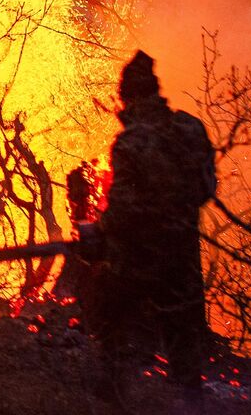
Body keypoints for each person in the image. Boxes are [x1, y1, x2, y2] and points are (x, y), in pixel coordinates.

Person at [88, 51, 216, 403]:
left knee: (110, 310)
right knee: (184, 339)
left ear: (129, 97)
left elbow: (125, 209)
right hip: (184, 257)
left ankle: (113, 392)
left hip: (139, 259)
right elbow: (206, 190)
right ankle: (191, 402)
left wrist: (100, 231)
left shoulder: (131, 142)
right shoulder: (190, 129)